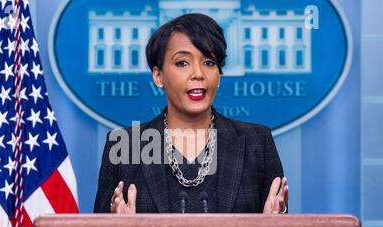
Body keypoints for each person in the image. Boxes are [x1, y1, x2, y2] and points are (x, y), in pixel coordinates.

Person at [94, 13, 288, 214]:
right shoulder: (126, 146)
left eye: (209, 63)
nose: (198, 74)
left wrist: (274, 224)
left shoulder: (257, 142)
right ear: (158, 76)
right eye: (182, 63)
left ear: (219, 75)